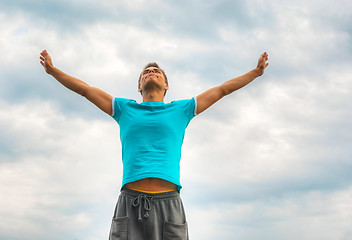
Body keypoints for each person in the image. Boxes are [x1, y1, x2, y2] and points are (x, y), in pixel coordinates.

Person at [39, 50, 269, 240]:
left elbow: (222, 89)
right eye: (145, 73)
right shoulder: (123, 108)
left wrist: (256, 73)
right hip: (130, 204)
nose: (151, 73)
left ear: (166, 85)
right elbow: (85, 89)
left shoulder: (182, 109)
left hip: (169, 205)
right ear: (139, 86)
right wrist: (53, 71)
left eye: (156, 71)